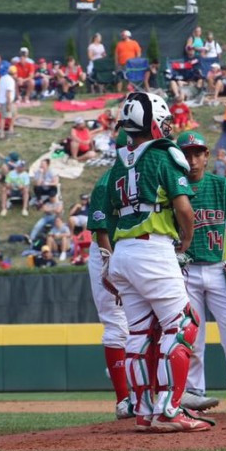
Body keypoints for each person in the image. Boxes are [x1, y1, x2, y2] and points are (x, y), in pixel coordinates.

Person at [101, 92, 207, 433]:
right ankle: (169, 410)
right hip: (153, 249)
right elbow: (185, 210)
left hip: (123, 254)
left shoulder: (118, 162)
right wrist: (186, 242)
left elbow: (111, 220)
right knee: (183, 325)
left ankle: (146, 410)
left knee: (140, 334)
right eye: (164, 120)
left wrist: (109, 264)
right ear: (152, 122)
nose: (169, 126)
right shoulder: (165, 156)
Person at [172, 131, 226, 414]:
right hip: (185, 271)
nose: (193, 159)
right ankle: (194, 396)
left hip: (217, 269)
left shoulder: (220, 186)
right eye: (186, 154)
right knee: (192, 338)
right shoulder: (172, 188)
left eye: (198, 153)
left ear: (207, 155)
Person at [84, 143, 133, 420]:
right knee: (116, 323)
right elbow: (102, 231)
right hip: (108, 250)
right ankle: (124, 399)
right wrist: (109, 267)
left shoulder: (150, 173)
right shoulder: (106, 183)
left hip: (140, 248)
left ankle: (150, 391)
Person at [0, 67, 17, 139]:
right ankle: (1, 133)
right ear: (14, 73)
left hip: (5, 100)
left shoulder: (3, 78)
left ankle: (11, 129)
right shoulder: (10, 81)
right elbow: (8, 93)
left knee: (14, 114)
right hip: (6, 101)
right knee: (3, 117)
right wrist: (9, 104)